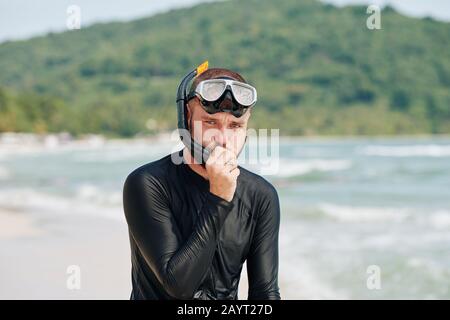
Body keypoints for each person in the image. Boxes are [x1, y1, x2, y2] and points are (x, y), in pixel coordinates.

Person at [122, 64, 281, 300]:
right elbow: (178, 286)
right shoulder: (148, 183)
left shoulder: (260, 196)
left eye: (235, 126)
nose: (224, 139)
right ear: (187, 118)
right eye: (210, 122)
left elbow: (265, 293)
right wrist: (219, 198)